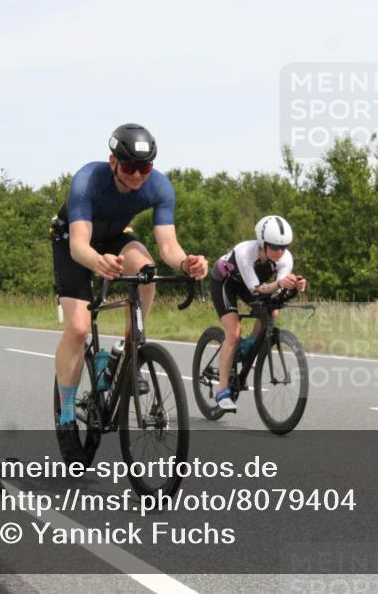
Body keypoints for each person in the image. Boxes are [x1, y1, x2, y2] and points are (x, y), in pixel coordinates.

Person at [51, 123, 208, 445]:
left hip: (115, 237)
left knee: (147, 270)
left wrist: (186, 263)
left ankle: (129, 346)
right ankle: (66, 411)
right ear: (113, 162)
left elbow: (168, 246)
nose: (137, 175)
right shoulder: (87, 180)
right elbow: (79, 246)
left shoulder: (159, 187)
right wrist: (98, 262)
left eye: (144, 168)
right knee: (78, 329)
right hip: (73, 241)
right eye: (129, 167)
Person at [208, 215, 308, 411]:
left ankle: (249, 347)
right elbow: (256, 290)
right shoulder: (245, 252)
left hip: (250, 284)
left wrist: (295, 287)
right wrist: (280, 283)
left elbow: (278, 292)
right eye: (275, 246)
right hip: (225, 282)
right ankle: (222, 390)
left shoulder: (285, 259)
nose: (280, 252)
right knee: (233, 332)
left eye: (284, 247)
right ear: (263, 243)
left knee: (272, 313)